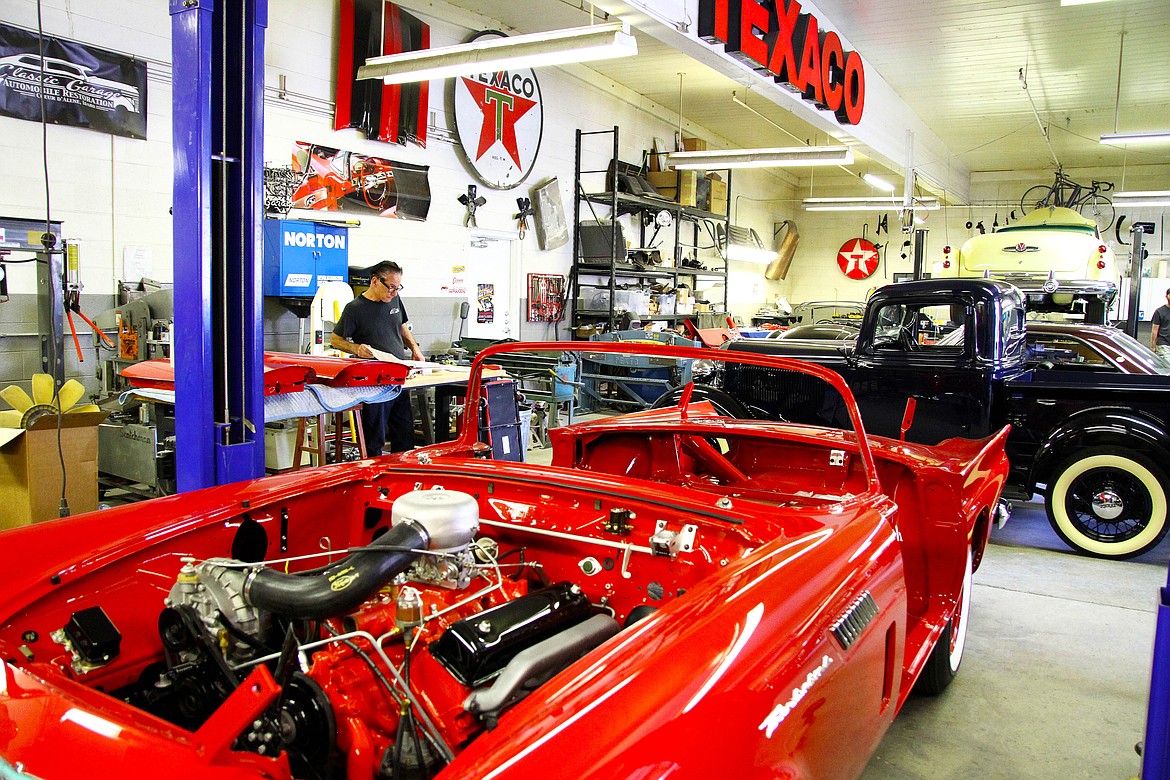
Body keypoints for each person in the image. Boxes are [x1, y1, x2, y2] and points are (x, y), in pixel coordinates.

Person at [330, 261, 424, 454]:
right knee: (374, 438)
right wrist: (356, 348)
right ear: (374, 281)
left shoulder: (395, 300)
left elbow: (402, 326)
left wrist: (414, 348)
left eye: (398, 288)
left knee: (405, 434)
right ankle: (373, 478)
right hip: (375, 383)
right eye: (390, 287)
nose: (394, 292)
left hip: (399, 378)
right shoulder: (355, 308)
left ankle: (403, 476)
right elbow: (335, 339)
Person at [1152, 288, 1170, 361]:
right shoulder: (1159, 311)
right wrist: (1153, 346)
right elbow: (1154, 330)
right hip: (1163, 344)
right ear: (1166, 296)